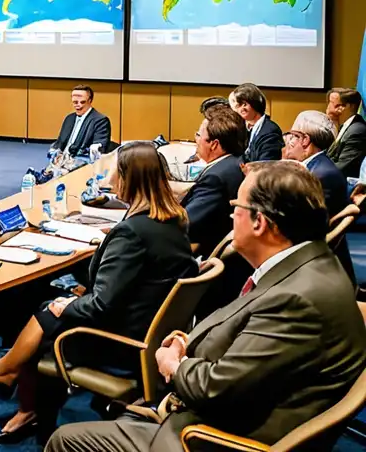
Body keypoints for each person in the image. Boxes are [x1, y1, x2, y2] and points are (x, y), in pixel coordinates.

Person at [46, 161, 366, 452]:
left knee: (65, 440)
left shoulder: (296, 300)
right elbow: (251, 337)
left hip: (210, 437)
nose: (231, 216)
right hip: (235, 409)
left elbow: (214, 390)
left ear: (260, 223)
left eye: (237, 207)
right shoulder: (312, 264)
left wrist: (175, 365)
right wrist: (188, 342)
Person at [0, 143, 197, 443]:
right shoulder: (173, 220)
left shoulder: (131, 233)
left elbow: (101, 305)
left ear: (130, 178)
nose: (110, 178)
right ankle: (15, 386)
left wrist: (68, 307)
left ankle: (13, 381)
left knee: (48, 311)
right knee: (53, 303)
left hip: (121, 341)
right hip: (148, 326)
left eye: (115, 172)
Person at [282, 110, 354, 281]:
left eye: (292, 135)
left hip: (319, 270)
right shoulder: (316, 166)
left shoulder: (321, 175)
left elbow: (301, 225)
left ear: (305, 140)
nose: (287, 141)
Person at [181, 107, 246, 255]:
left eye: (199, 135)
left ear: (214, 144)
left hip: (195, 254)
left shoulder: (215, 179)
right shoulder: (233, 163)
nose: (196, 140)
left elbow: (186, 224)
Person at [51, 85, 112, 158]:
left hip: (81, 162)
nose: (78, 105)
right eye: (75, 102)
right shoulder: (69, 118)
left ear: (90, 101)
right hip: (62, 160)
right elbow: (59, 143)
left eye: (82, 102)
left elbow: (98, 149)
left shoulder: (100, 121)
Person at [229, 83, 283, 162]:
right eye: (239, 105)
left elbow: (266, 165)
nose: (242, 108)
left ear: (255, 102)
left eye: (245, 104)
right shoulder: (239, 127)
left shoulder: (271, 131)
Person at [325, 87, 366, 177]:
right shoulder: (344, 125)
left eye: (331, 103)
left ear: (347, 107)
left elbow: (342, 167)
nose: (328, 107)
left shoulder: (357, 131)